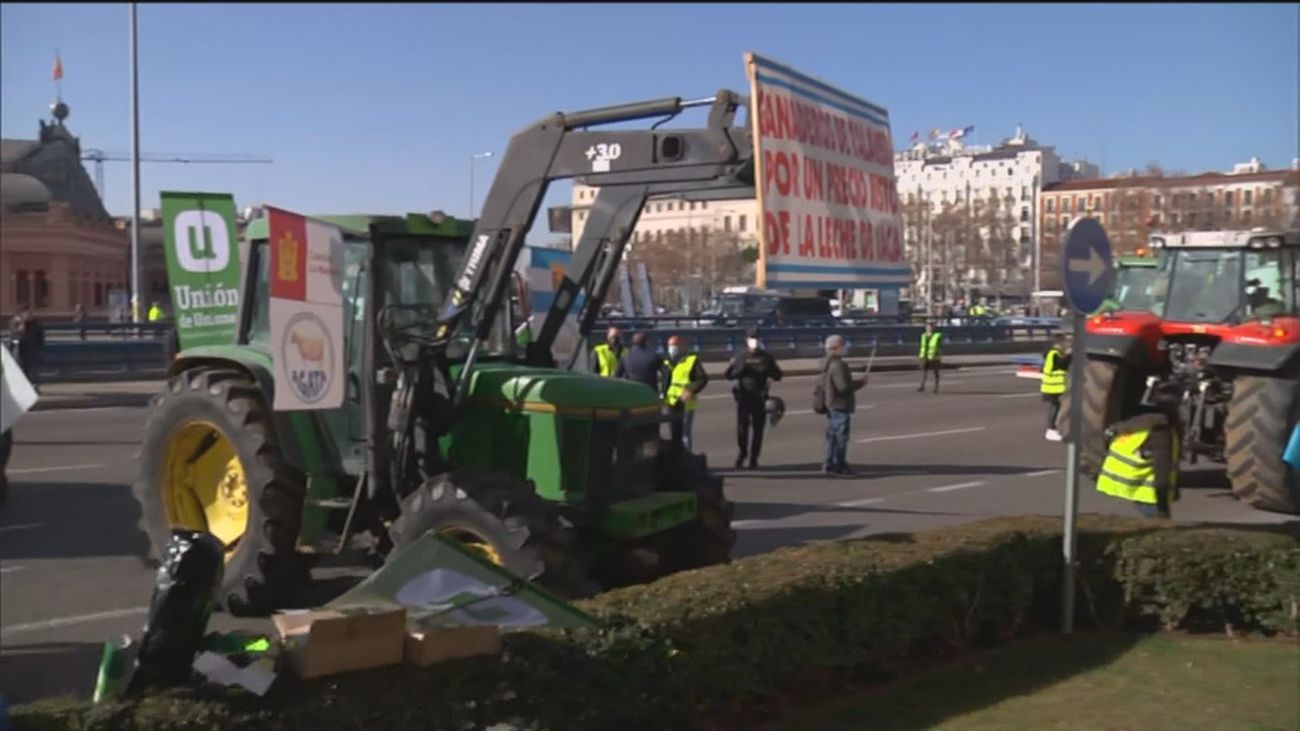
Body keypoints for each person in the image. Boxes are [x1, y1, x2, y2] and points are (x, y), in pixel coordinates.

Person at [1096, 407, 1180, 519]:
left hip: (1123, 479)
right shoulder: (1160, 433)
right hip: (1149, 493)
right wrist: (1162, 497)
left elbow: (1107, 442)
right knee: (1158, 521)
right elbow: (1162, 470)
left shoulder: (1128, 427)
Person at [724, 327, 784, 470]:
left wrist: (770, 371)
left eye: (757, 339)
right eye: (752, 339)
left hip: (760, 398)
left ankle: (754, 458)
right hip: (744, 398)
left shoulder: (766, 357)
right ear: (747, 341)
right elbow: (728, 375)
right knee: (742, 430)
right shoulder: (740, 356)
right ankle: (742, 453)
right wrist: (741, 370)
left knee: (758, 431)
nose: (755, 342)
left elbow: (778, 375)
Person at [821, 334, 867, 476]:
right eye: (843, 345)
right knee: (840, 437)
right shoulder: (838, 365)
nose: (845, 347)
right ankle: (839, 464)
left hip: (831, 404)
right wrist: (860, 383)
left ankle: (829, 464)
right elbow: (843, 387)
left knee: (832, 437)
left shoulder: (827, 362)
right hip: (839, 405)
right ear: (836, 348)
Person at [663, 335, 708, 452]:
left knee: (684, 433)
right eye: (670, 346)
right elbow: (666, 381)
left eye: (674, 346)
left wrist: (691, 390)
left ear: (681, 346)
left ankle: (687, 458)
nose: (672, 348)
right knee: (674, 432)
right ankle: (677, 458)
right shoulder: (667, 360)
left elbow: (702, 379)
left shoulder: (691, 360)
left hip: (686, 401)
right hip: (671, 401)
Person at [8, 307, 44, 391]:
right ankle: (26, 386)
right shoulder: (16, 324)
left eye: (27, 313)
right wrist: (19, 326)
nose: (26, 315)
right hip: (22, 350)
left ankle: (34, 386)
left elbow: (40, 337)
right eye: (23, 313)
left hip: (32, 350)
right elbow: (13, 337)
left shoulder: (36, 324)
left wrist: (39, 348)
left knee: (33, 369)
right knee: (24, 369)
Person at [1041, 334, 1069, 441]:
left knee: (1057, 408)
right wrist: (1070, 355)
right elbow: (1062, 364)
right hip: (1054, 387)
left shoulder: (1051, 354)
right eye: (1064, 343)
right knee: (1056, 408)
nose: (1065, 345)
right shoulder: (1054, 354)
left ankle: (1054, 429)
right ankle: (1051, 430)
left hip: (1053, 387)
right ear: (1058, 343)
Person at [916, 320, 943, 393]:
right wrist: (920, 356)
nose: (929, 328)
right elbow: (922, 346)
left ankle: (936, 388)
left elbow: (940, 346)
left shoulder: (937, 335)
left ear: (934, 327)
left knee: (935, 373)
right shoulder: (923, 335)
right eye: (928, 326)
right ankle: (922, 386)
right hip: (924, 356)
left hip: (934, 357)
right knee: (924, 372)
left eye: (931, 326)